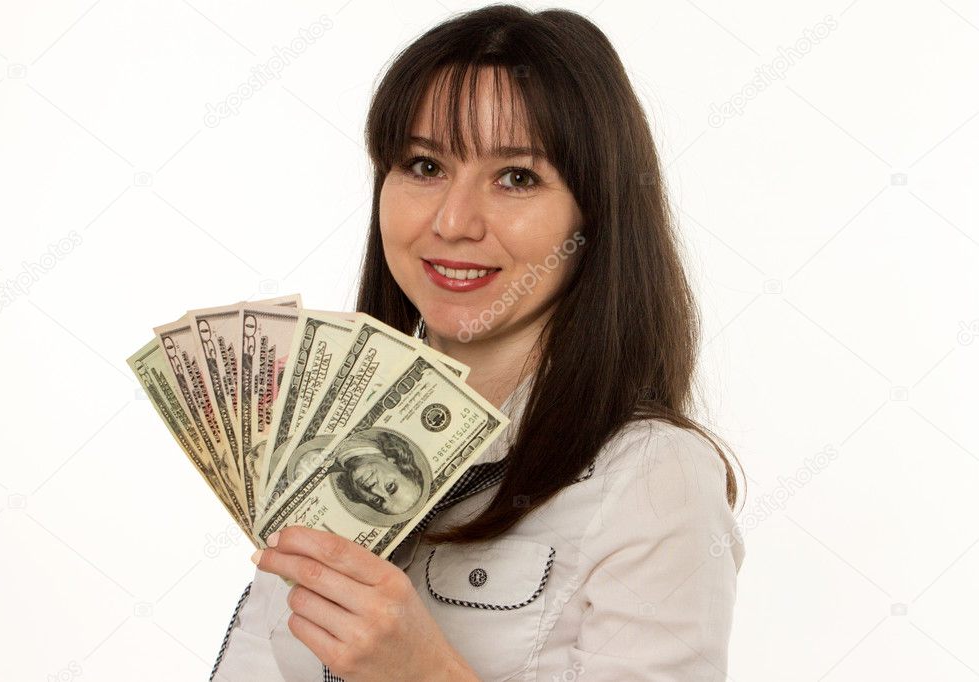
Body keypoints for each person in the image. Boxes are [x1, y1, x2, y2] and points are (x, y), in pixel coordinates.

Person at [211, 5, 746, 681]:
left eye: (516, 177)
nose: (453, 220)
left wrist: (424, 673)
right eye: (424, 164)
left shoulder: (652, 477)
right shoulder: (326, 442)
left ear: (596, 214)